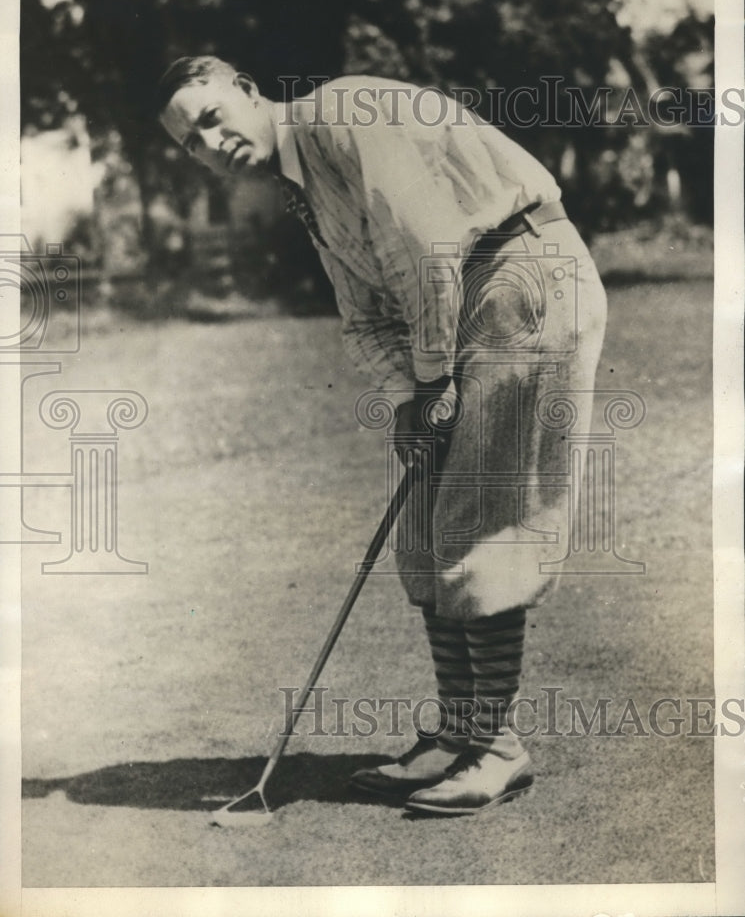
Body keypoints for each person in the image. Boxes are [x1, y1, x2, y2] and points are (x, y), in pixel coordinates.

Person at [156, 56, 607, 815]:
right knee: (424, 530)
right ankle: (457, 733)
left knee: (478, 520)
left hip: (523, 277)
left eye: (209, 116)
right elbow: (361, 309)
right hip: (466, 297)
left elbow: (428, 248)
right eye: (189, 143)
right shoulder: (300, 186)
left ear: (249, 90)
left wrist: (431, 379)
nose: (209, 141)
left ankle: (496, 747)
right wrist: (407, 396)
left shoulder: (342, 114)